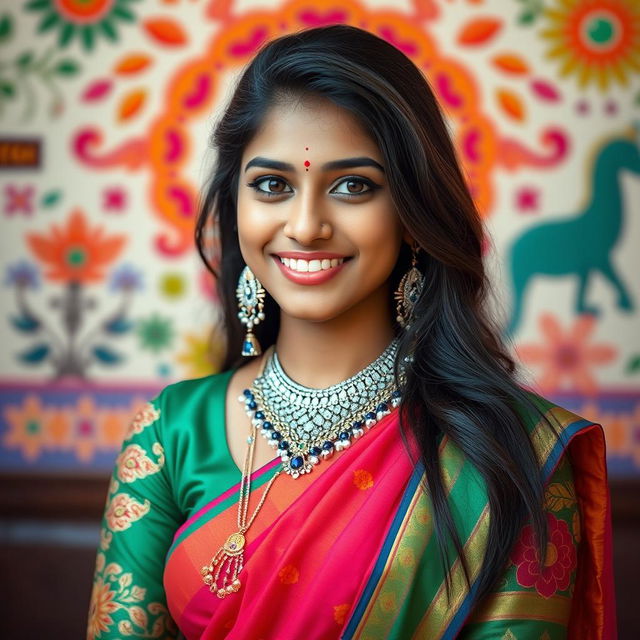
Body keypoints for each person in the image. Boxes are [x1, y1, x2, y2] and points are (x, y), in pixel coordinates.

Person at [87, 25, 616, 640]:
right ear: (235, 203)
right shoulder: (171, 434)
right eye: (272, 185)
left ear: (415, 213)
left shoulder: (512, 454)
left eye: (353, 186)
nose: (306, 225)